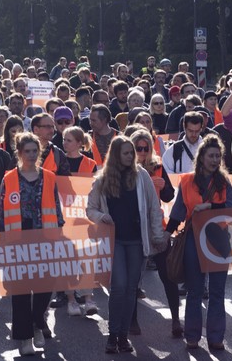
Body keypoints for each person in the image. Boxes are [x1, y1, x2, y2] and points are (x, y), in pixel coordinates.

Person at [86, 136, 168, 354]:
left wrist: (158, 236)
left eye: (132, 152)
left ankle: (123, 336)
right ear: (115, 155)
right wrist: (101, 216)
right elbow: (90, 209)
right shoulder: (102, 178)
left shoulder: (142, 176)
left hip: (137, 241)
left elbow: (153, 208)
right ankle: (112, 335)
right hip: (116, 242)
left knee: (131, 288)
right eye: (126, 153)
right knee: (118, 287)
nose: (131, 156)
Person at [0, 132, 65, 356]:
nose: (32, 155)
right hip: (18, 240)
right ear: (19, 152)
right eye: (27, 151)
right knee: (21, 291)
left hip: (45, 239)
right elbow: (2, 215)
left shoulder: (49, 177)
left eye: (35, 151)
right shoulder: (9, 178)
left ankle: (37, 323)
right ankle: (24, 338)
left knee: (45, 286)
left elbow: (56, 208)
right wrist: (1, 245)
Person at [165, 134, 232, 351]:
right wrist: (165, 235)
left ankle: (216, 338)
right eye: (210, 155)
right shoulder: (187, 180)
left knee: (217, 292)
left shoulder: (223, 182)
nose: (214, 160)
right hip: (192, 240)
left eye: (218, 156)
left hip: (218, 242)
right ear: (201, 156)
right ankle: (192, 337)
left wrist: (210, 208)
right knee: (194, 291)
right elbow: (177, 213)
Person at [129, 129, 182, 337]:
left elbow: (169, 196)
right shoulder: (125, 169)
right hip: (134, 229)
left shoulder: (158, 167)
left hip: (156, 228)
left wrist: (163, 186)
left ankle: (176, 320)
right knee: (133, 278)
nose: (142, 152)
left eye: (146, 148)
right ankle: (132, 321)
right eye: (138, 148)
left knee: (168, 275)